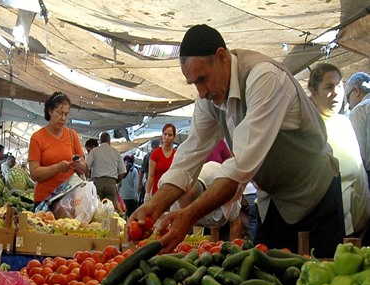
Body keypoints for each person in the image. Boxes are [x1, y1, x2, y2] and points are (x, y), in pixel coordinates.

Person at [132, 24, 344, 257]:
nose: (201, 92)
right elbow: (188, 157)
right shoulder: (208, 99)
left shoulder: (264, 78)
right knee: (268, 284)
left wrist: (189, 215)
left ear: (222, 57)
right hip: (271, 205)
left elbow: (240, 166)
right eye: (194, 83)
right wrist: (154, 206)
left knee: (321, 280)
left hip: (315, 198)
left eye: (203, 79)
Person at [308, 63, 370, 238]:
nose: (336, 92)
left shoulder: (344, 123)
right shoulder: (309, 129)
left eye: (340, 86)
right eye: (329, 87)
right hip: (327, 230)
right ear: (314, 92)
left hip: (356, 227)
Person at [28, 92, 87, 208]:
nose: (63, 118)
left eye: (66, 114)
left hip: (68, 202)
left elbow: (84, 168)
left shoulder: (72, 135)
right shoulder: (37, 138)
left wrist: (79, 164)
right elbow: (34, 173)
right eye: (59, 113)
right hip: (44, 201)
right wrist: (58, 168)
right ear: (50, 111)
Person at [169, 161, 242, 238]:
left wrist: (233, 247)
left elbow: (235, 223)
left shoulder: (224, 187)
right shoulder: (177, 197)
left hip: (224, 219)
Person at [85, 132, 127, 207]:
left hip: (98, 183)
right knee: (110, 210)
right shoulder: (116, 152)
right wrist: (116, 181)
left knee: (97, 209)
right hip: (111, 183)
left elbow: (86, 165)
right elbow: (123, 172)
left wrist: (87, 177)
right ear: (109, 141)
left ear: (100, 141)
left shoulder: (94, 151)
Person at [347, 72, 370, 183]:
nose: (349, 106)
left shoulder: (359, 110)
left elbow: (359, 156)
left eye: (347, 98)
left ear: (356, 91)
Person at [146, 123, 177, 198]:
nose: (167, 137)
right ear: (162, 135)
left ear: (174, 137)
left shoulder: (177, 155)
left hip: (171, 195)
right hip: (156, 194)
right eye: (165, 134)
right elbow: (151, 176)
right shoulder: (155, 154)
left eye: (170, 135)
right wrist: (147, 194)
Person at [138, 138, 160, 204]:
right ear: (152, 147)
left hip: (159, 182)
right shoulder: (148, 157)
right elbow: (142, 172)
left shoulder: (160, 156)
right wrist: (140, 183)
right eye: (155, 147)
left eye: (157, 147)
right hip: (150, 182)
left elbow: (142, 171)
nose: (155, 149)